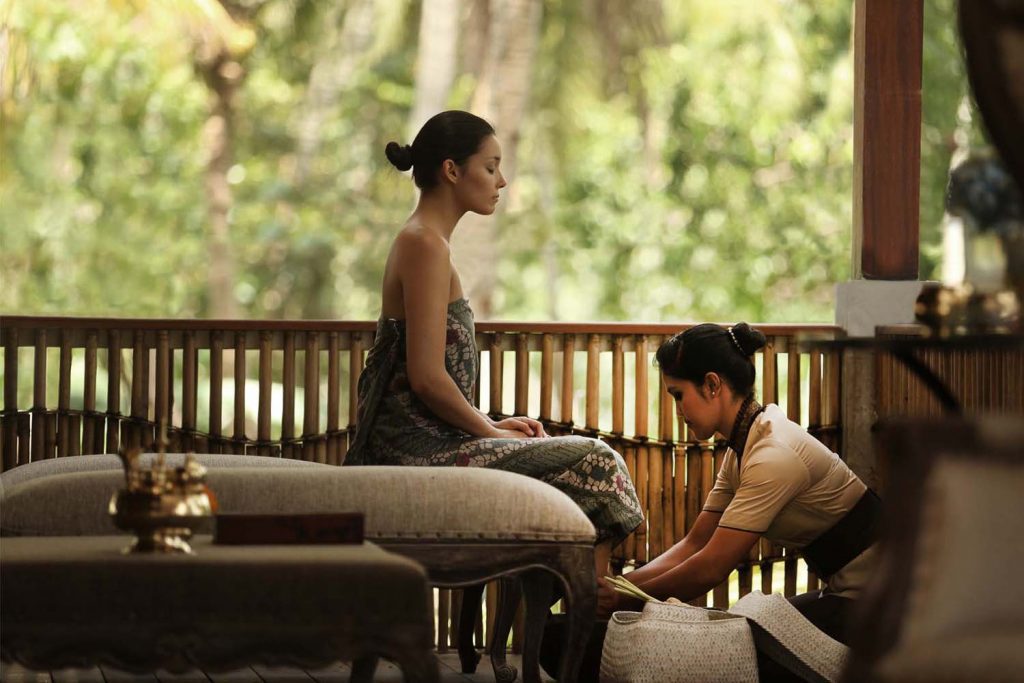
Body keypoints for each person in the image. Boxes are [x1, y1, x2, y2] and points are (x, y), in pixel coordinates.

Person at [346, 110, 643, 579]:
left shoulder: (430, 242)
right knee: (596, 461)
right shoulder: (423, 243)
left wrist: (494, 424)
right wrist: (489, 432)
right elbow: (425, 378)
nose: (501, 181)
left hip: (434, 443)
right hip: (412, 454)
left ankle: (591, 606)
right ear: (451, 170)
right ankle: (595, 613)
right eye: (491, 166)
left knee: (567, 450)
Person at [588, 322, 881, 682]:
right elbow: (694, 544)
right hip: (848, 595)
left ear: (712, 385)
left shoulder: (773, 454)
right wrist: (620, 585)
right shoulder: (745, 446)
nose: (678, 409)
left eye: (678, 395)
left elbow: (711, 567)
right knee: (729, 642)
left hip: (886, 606)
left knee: (733, 654)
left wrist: (626, 600)